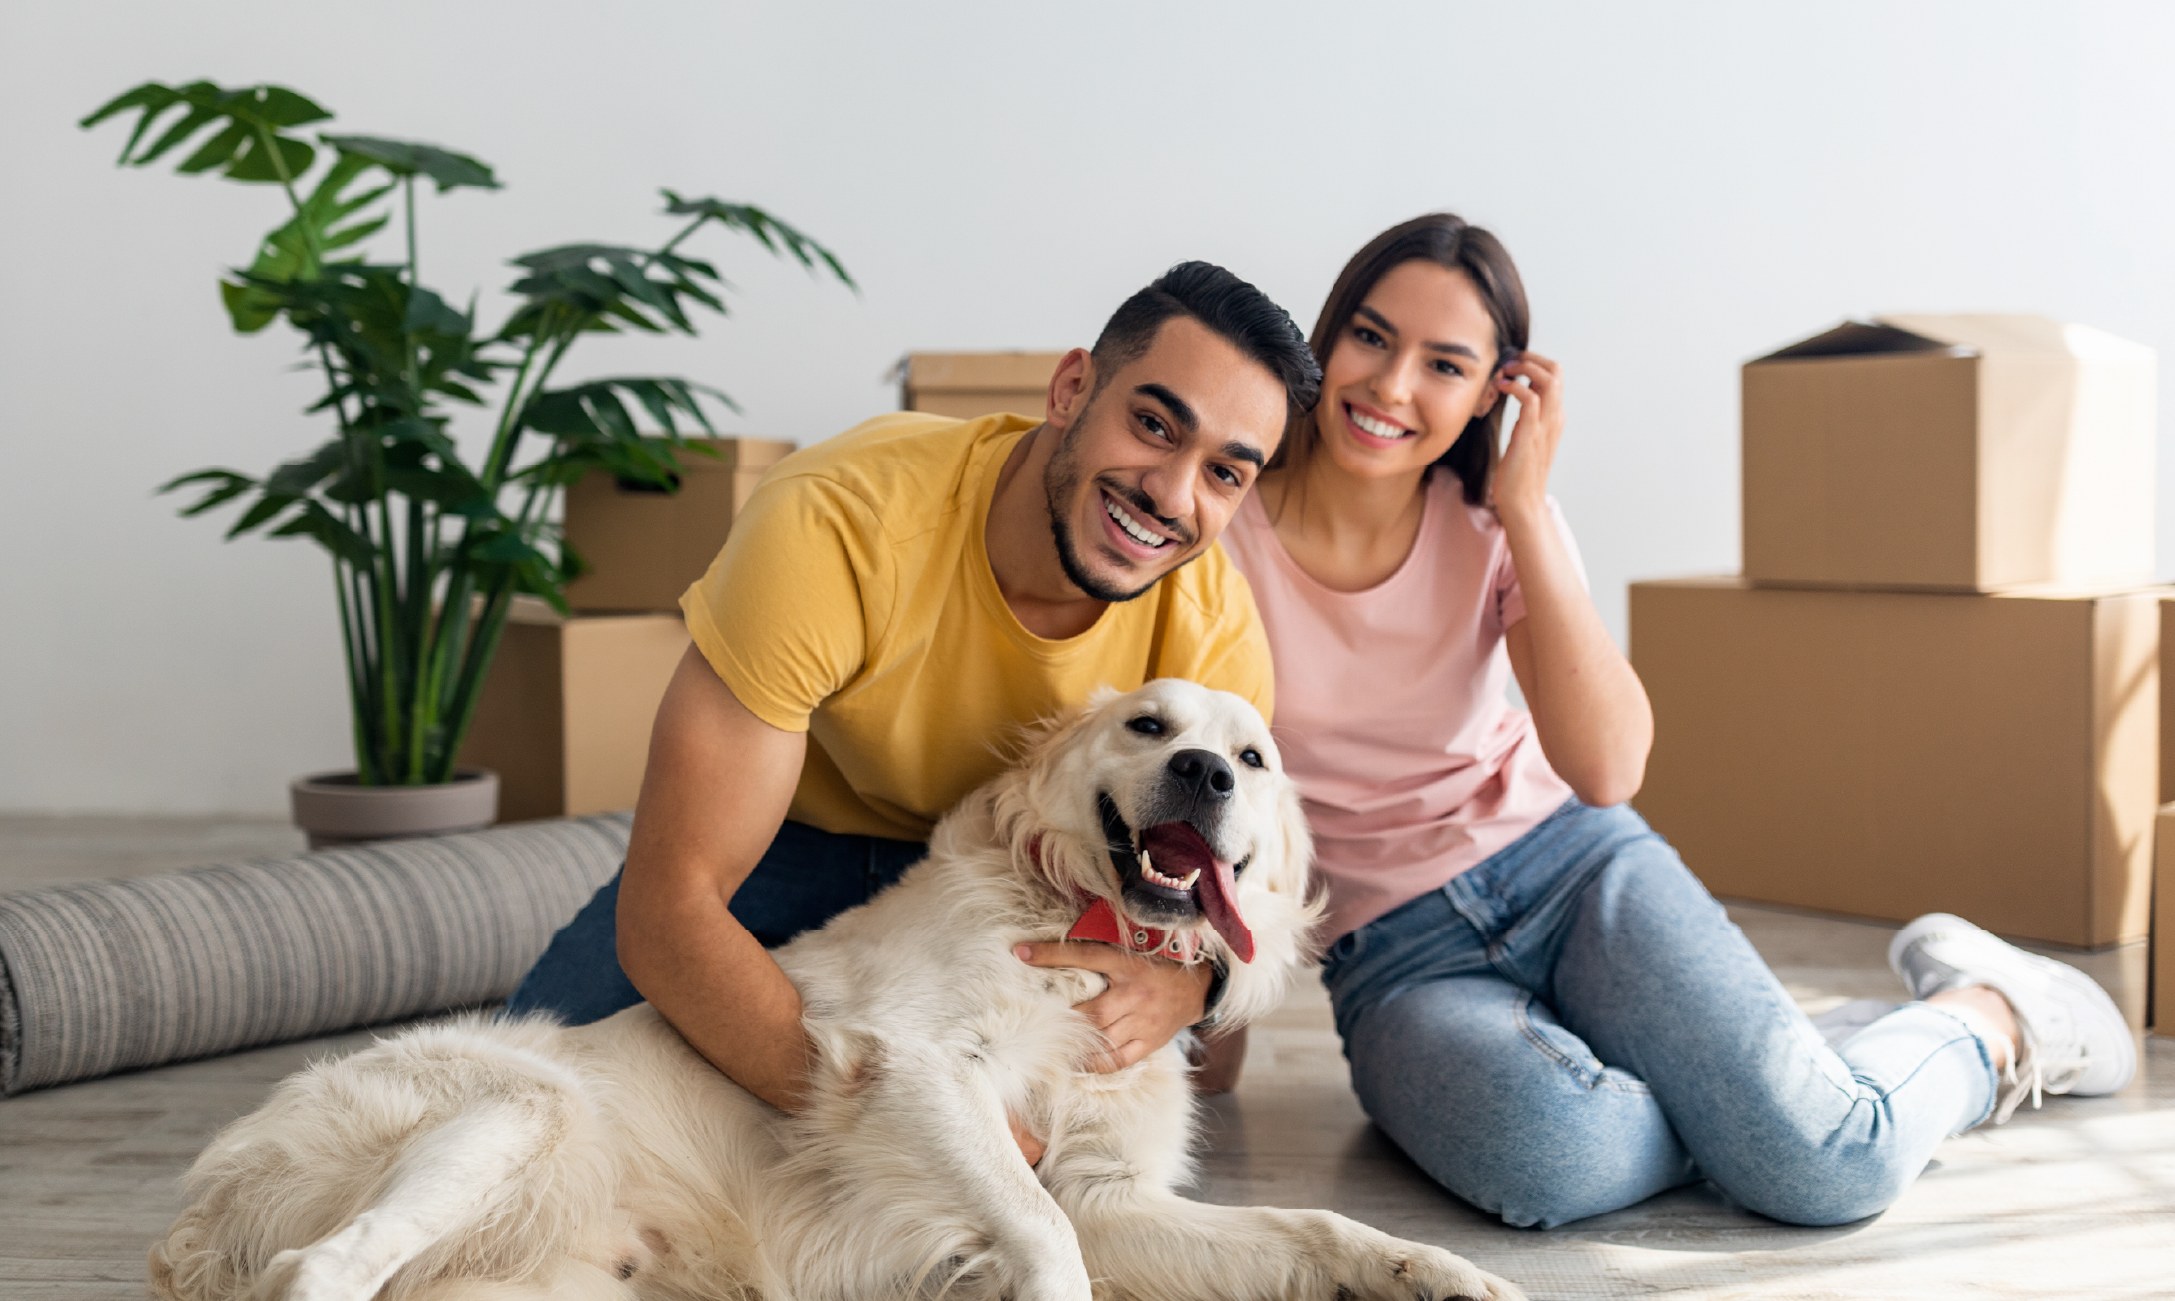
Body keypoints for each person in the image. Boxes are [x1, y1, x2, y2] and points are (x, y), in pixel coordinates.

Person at [1213, 213, 2138, 1228]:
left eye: (1445, 364)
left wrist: (1526, 505)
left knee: (1831, 1166)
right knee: (1558, 1160)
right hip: (1395, 957)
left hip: (1572, 867)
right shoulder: (1221, 535)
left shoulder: (1498, 523)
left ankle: (1987, 1019)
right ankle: (1773, 1097)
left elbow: (1608, 769)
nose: (1392, 387)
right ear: (1329, 334)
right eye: (1372, 337)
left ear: (1491, 393)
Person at [506, 261, 1322, 1160]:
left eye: (1224, 473)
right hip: (786, 846)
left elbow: (1235, 906)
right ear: (1070, 389)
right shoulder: (837, 521)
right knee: (517, 1084)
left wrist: (1196, 988)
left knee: (1087, 1162)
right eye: (1154, 425)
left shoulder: (1212, 636)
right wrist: (927, 1133)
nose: (1171, 493)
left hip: (1021, 881)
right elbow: (670, 911)